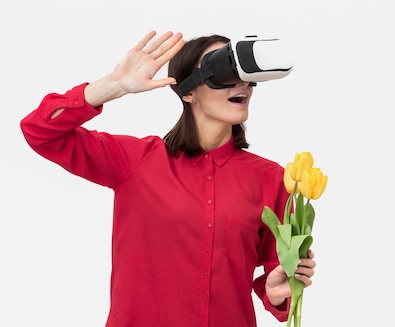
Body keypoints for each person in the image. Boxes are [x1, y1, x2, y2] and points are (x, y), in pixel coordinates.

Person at [20, 30, 316, 327]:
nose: (241, 84)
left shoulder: (273, 179)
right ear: (187, 92)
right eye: (224, 70)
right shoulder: (134, 161)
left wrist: (277, 294)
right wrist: (113, 85)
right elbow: (40, 131)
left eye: (243, 73)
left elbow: (276, 278)